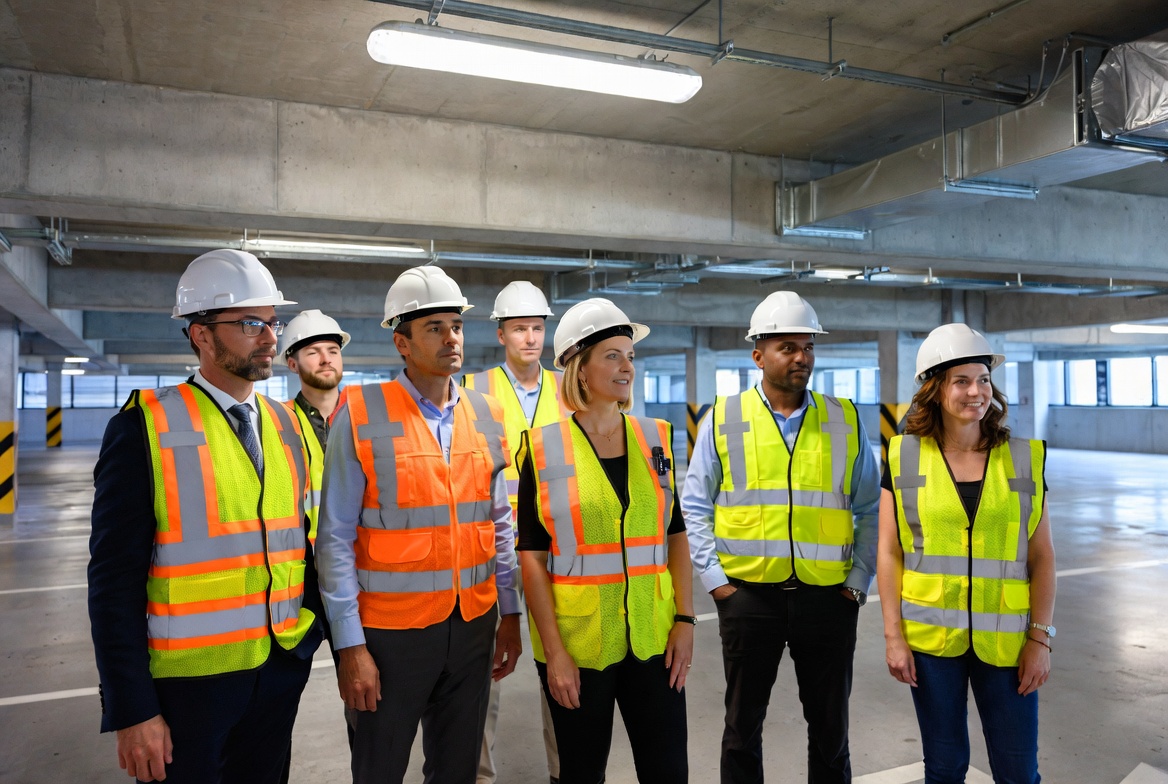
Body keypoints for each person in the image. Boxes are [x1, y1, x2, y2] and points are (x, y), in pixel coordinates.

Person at [88, 249, 322, 784]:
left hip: (279, 668)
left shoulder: (287, 424)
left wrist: (308, 638)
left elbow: (297, 542)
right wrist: (132, 707)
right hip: (187, 688)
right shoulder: (143, 427)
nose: (269, 336)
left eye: (272, 322)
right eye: (249, 323)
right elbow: (112, 581)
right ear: (200, 334)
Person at [315, 265, 523, 784]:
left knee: (457, 772)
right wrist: (350, 646)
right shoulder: (360, 413)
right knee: (379, 770)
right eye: (434, 327)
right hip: (389, 637)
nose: (451, 337)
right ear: (402, 343)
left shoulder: (486, 411)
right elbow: (335, 538)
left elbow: (499, 521)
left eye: (456, 325)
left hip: (473, 625)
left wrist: (511, 611)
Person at [681, 290, 880, 784]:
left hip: (828, 599)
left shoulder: (846, 419)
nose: (801, 357)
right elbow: (695, 504)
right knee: (741, 729)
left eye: (807, 347)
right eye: (788, 347)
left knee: (831, 731)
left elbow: (870, 508)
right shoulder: (722, 419)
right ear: (758, 355)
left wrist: (857, 582)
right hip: (749, 598)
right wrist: (715, 581)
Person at [517, 297, 694, 784]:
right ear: (580, 367)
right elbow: (530, 561)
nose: (626, 367)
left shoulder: (655, 438)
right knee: (580, 773)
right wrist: (554, 653)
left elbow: (675, 535)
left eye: (630, 356)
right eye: (612, 355)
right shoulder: (543, 449)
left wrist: (685, 619)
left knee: (668, 772)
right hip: (579, 644)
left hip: (654, 639)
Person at [878, 323, 1055, 784]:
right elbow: (889, 551)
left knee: (1018, 771)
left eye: (983, 379)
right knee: (944, 766)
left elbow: (1042, 557)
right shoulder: (903, 458)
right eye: (961, 381)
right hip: (933, 643)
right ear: (935, 390)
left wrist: (1040, 639)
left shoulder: (1022, 458)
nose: (976, 391)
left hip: (1008, 643)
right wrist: (893, 637)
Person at [463, 280, 566, 784]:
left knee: (561, 667)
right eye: (520, 328)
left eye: (537, 328)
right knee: (483, 675)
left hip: (557, 548)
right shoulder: (474, 390)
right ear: (501, 333)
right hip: (494, 547)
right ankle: (478, 776)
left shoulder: (571, 388)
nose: (530, 338)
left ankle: (563, 772)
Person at [281, 308, 351, 545]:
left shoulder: (365, 416)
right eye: (313, 352)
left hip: (362, 555)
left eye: (333, 351)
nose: (326, 359)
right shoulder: (278, 420)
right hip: (304, 559)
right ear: (292, 364)